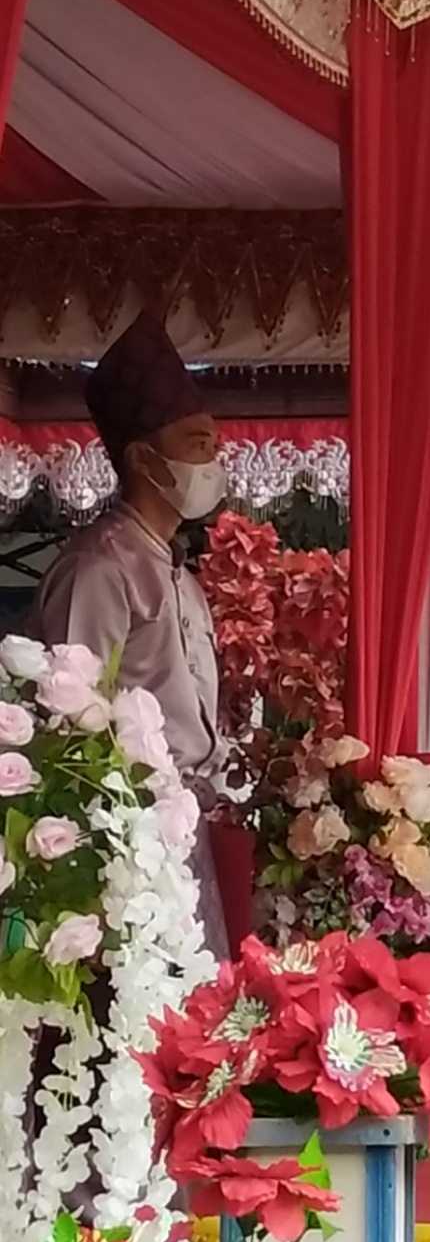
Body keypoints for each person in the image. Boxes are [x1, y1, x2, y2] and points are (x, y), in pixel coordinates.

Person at [33, 309, 230, 957]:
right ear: (144, 458)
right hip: (128, 839)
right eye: (197, 444)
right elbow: (70, 725)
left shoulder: (178, 571)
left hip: (186, 825)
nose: (213, 461)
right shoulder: (100, 569)